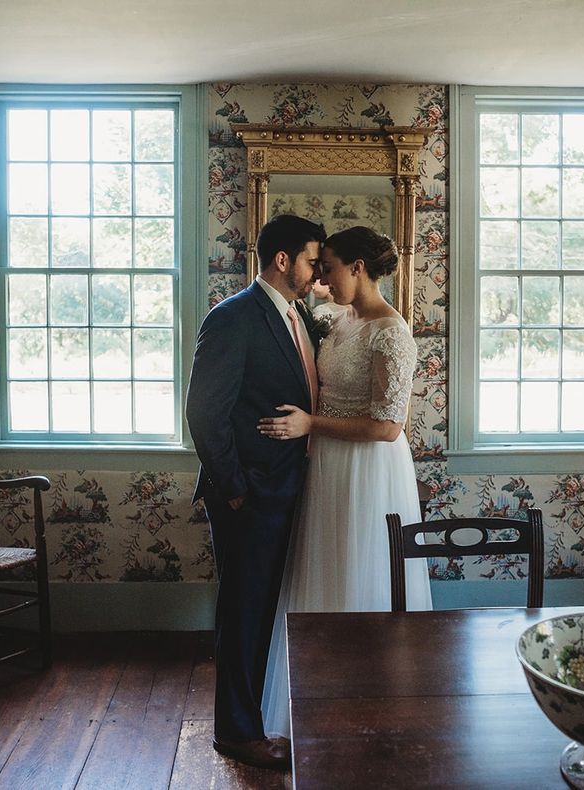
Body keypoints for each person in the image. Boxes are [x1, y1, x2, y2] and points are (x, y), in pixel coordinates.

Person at [256, 226, 432, 739]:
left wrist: (312, 424)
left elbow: (387, 426)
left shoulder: (391, 332)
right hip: (329, 464)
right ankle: (317, 705)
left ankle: (371, 708)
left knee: (363, 571)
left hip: (368, 470)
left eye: (330, 267)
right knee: (325, 571)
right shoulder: (341, 319)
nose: (323, 279)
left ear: (358, 267)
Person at [185, 214, 326, 770]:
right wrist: (236, 489)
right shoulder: (233, 318)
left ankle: (260, 714)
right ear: (283, 260)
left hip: (291, 488)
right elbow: (204, 411)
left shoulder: (299, 318)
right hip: (250, 495)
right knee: (244, 612)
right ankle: (238, 733)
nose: (319, 273)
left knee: (268, 608)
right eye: (313, 260)